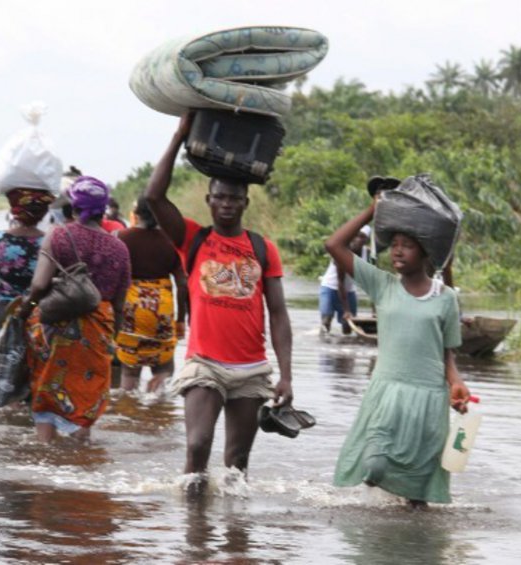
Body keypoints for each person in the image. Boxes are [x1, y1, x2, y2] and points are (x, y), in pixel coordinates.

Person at [145, 115, 293, 495]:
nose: (227, 204)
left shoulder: (263, 249)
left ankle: (234, 546)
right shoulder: (192, 238)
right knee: (197, 447)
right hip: (205, 364)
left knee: (236, 465)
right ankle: (194, 543)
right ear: (209, 200)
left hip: (250, 369)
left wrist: (286, 375)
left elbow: (278, 314)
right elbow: (154, 197)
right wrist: (180, 135)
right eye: (220, 197)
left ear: (246, 201)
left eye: (234, 198)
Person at [325, 196, 470, 508]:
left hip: (428, 400)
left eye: (408, 245)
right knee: (374, 466)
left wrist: (456, 384)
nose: (398, 251)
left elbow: (447, 355)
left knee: (419, 498)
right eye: (394, 244)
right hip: (387, 394)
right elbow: (334, 245)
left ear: (425, 252)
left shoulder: (445, 299)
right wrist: (371, 210)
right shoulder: (383, 284)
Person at [16, 176, 131, 442]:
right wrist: (112, 339)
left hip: (56, 324)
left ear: (73, 205)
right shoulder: (120, 249)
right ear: (104, 208)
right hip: (98, 329)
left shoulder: (60, 235)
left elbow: (39, 285)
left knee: (46, 393)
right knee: (85, 396)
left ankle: (47, 456)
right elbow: (120, 304)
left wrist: (25, 312)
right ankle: (81, 459)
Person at [115, 195, 187, 393]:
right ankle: (158, 407)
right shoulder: (172, 241)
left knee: (129, 373)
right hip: (161, 310)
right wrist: (181, 319)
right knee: (164, 367)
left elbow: (113, 279)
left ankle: (129, 412)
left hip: (131, 310)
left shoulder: (121, 237)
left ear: (136, 214)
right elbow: (182, 283)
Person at [0, 188, 55, 331]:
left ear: (15, 211)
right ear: (42, 214)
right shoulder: (50, 242)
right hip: (40, 313)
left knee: (2, 352)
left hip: (6, 310)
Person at [319, 226, 370, 335]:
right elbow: (340, 283)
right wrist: (346, 310)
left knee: (348, 326)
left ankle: (345, 350)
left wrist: (376, 310)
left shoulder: (367, 252)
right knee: (326, 321)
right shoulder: (342, 252)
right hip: (330, 288)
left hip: (350, 290)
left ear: (366, 240)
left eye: (362, 237)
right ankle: (325, 347)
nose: (357, 239)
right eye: (355, 236)